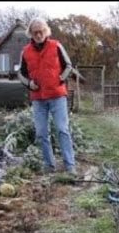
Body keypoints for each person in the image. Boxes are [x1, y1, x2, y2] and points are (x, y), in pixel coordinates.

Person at [17, 18, 76, 176]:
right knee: (41, 133)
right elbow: (21, 73)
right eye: (35, 32)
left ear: (46, 31)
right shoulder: (26, 51)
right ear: (30, 33)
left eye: (41, 31)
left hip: (57, 96)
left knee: (62, 129)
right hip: (38, 99)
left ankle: (69, 165)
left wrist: (60, 79)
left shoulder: (56, 46)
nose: (38, 34)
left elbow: (68, 66)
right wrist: (29, 84)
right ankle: (49, 165)